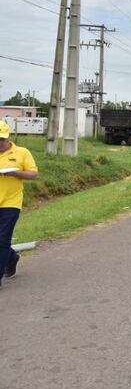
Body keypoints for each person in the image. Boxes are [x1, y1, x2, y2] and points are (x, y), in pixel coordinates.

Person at [0, 120, 38, 288]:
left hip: (11, 201)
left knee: (2, 239)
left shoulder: (22, 152)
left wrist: (16, 173)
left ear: (7, 137)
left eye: (1, 139)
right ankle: (12, 257)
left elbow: (33, 174)